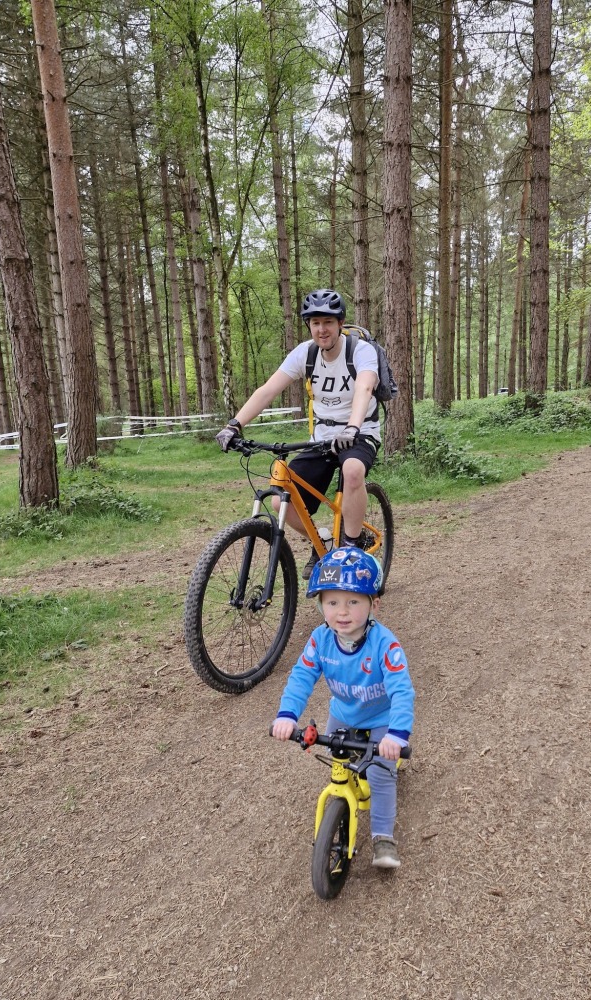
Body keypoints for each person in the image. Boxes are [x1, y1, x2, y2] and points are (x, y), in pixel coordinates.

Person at [216, 288, 380, 578]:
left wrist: (353, 426)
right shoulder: (305, 353)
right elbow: (267, 390)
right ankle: (324, 542)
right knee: (281, 499)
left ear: (340, 323)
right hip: (321, 439)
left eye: (328, 322)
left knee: (353, 470)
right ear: (309, 325)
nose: (321, 329)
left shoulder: (361, 351)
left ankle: (351, 547)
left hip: (360, 432)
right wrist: (235, 424)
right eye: (315, 322)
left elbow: (365, 388)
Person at [271, 547, 414, 870]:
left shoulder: (385, 644)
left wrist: (397, 734)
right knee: (338, 757)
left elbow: (402, 690)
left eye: (353, 601)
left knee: (379, 775)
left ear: (373, 604)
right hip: (343, 714)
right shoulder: (320, 639)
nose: (342, 612)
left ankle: (382, 838)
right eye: (332, 602)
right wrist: (286, 715)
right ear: (321, 605)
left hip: (381, 719)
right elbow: (302, 676)